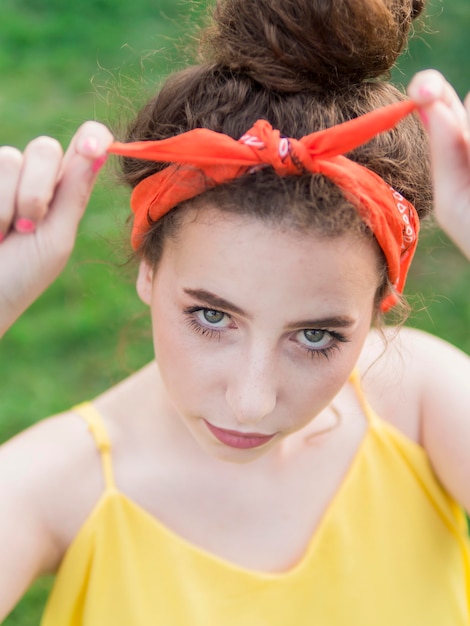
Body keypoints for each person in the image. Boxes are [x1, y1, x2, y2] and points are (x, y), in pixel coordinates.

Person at [1, 1, 469, 624]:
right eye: (212, 317)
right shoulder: (55, 485)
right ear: (149, 266)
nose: (251, 401)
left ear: (381, 300)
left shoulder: (425, 404)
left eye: (315, 335)